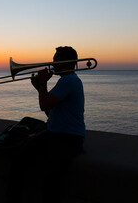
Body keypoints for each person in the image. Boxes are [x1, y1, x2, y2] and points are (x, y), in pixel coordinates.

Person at [6, 46, 85, 203]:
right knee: (20, 159)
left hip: (68, 138)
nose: (52, 63)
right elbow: (50, 111)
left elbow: (43, 105)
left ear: (65, 62)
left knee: (50, 180)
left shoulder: (68, 81)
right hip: (55, 133)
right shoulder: (67, 80)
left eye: (55, 60)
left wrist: (42, 82)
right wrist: (39, 88)